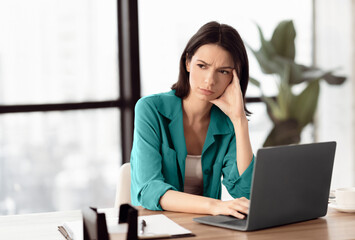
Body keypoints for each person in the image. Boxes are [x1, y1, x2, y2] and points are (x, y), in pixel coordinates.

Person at [130, 21, 254, 219]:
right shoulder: (150, 109)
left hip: (205, 228)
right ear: (187, 62)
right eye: (202, 66)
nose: (209, 80)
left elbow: (246, 192)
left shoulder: (228, 122)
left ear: (235, 77)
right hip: (157, 226)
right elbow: (149, 189)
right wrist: (215, 206)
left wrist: (240, 121)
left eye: (223, 71)